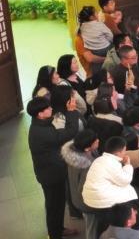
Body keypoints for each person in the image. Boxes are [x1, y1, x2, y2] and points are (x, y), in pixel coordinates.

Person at [28, 95, 81, 239]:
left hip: (53, 172)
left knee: (58, 203)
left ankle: (59, 229)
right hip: (51, 176)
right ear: (40, 114)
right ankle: (54, 234)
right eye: (47, 108)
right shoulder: (41, 132)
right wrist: (71, 112)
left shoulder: (41, 123)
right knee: (53, 206)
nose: (51, 108)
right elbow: (70, 132)